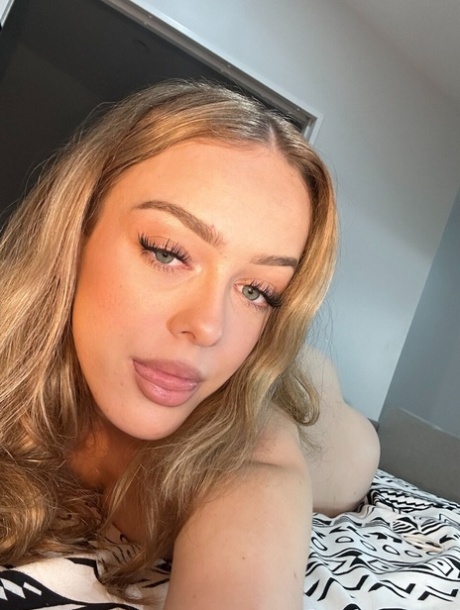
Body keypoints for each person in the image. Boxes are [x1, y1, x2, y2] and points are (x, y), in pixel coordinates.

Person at [0, 80, 379, 609]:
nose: (208, 326)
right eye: (167, 252)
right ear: (77, 227)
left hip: (326, 424)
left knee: (311, 384)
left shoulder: (252, 450)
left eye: (258, 290)